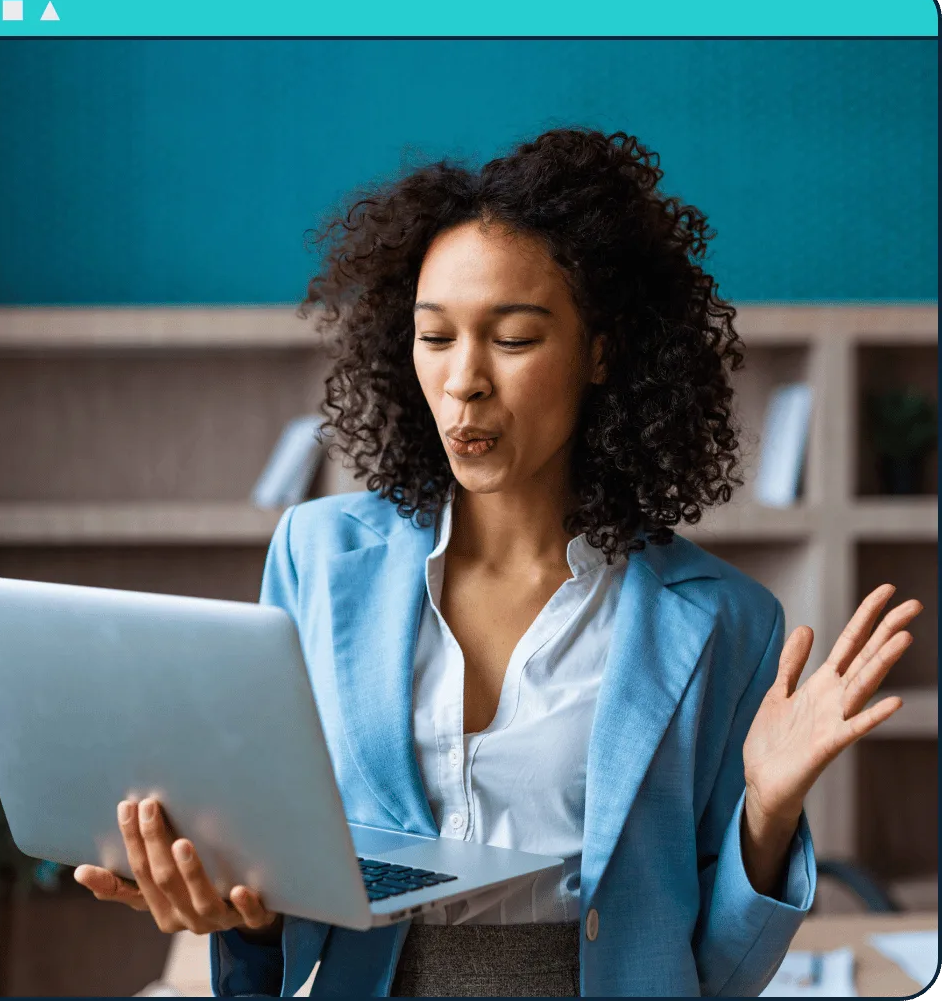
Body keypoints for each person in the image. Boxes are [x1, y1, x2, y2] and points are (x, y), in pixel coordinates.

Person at [74, 128, 923, 997]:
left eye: (513, 339)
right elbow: (283, 869)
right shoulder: (319, 557)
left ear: (602, 351)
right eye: (435, 337)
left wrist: (769, 817)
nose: (464, 382)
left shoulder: (724, 621)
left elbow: (715, 969)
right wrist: (236, 903)